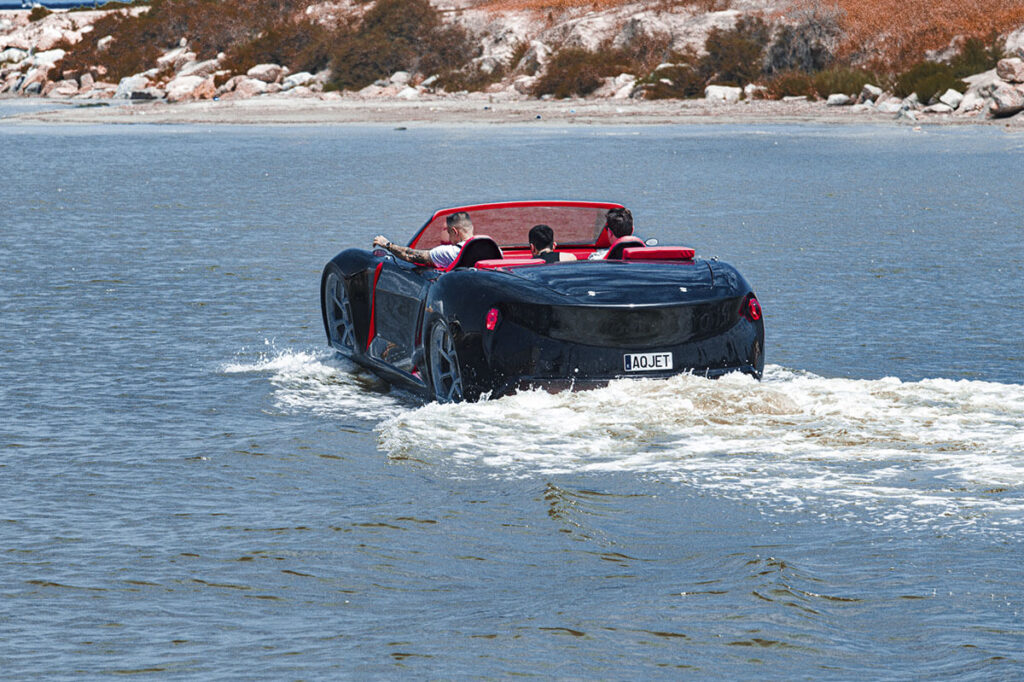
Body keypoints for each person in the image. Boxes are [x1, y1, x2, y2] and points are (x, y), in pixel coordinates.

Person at [373, 212, 474, 268]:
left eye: (449, 233)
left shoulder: (449, 252)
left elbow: (410, 255)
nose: (449, 238)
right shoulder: (487, 243)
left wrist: (387, 244)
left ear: (455, 232)